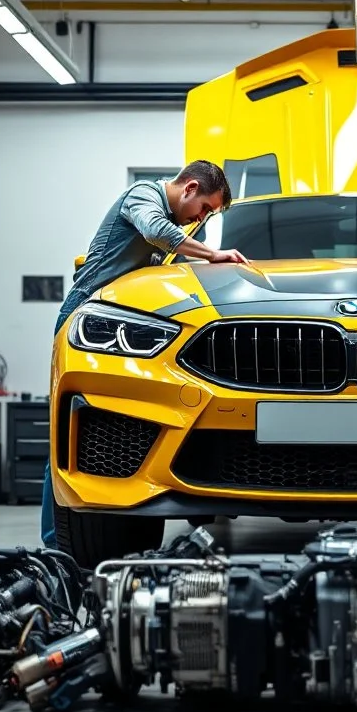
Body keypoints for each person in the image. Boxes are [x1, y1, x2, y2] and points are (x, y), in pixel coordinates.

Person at [40, 160, 248, 548]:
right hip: (89, 315)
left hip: (123, 319)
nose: (199, 219)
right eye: (204, 209)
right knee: (63, 441)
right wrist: (212, 255)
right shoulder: (144, 196)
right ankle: (56, 545)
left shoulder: (167, 230)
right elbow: (158, 231)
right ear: (188, 189)